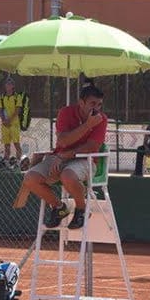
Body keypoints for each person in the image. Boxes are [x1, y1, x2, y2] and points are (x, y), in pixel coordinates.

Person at [20, 84, 108, 230]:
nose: (97, 108)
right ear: (81, 103)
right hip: (59, 157)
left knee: (67, 175)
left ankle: (82, 210)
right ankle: (59, 208)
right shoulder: (65, 113)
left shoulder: (101, 119)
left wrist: (66, 155)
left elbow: (92, 147)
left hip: (85, 160)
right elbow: (62, 141)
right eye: (93, 104)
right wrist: (87, 125)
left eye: (99, 104)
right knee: (30, 178)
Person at [0, 77, 27, 164]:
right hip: (5, 124)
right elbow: (0, 109)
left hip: (14, 124)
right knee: (6, 145)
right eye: (7, 84)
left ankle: (18, 163)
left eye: (10, 84)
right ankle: (6, 162)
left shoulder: (17, 96)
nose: (8, 85)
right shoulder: (1, 97)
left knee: (16, 143)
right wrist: (3, 120)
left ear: (13, 86)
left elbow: (18, 110)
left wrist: (9, 120)